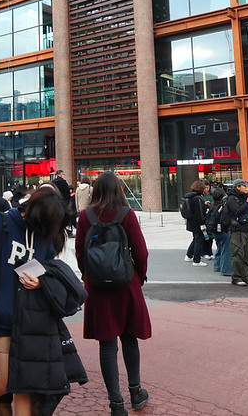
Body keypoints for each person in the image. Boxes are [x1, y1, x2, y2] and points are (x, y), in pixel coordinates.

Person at [0, 186, 68, 416]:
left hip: (30, 322)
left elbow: (48, 270)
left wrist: (41, 283)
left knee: (25, 385)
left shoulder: (43, 235)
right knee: (6, 381)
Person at [75, 172, 150, 415]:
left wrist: (88, 275)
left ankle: (116, 404)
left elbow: (80, 252)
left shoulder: (85, 216)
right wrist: (139, 276)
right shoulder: (127, 214)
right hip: (126, 283)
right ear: (118, 189)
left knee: (107, 344)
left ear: (95, 190)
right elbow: (140, 251)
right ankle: (136, 392)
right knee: (129, 338)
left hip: (98, 287)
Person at [226, 179, 248, 286]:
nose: (247, 188)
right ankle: (236, 277)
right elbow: (236, 212)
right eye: (244, 186)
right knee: (238, 254)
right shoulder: (231, 198)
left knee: (247, 254)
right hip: (237, 230)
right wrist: (247, 203)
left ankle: (245, 277)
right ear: (238, 187)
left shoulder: (244, 197)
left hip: (246, 228)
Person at [182, 180, 209, 266]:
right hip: (198, 223)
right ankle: (196, 260)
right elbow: (199, 212)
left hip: (191, 221)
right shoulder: (197, 198)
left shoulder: (189, 197)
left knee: (196, 239)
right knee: (199, 240)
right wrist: (203, 222)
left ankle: (189, 255)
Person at [206, 187, 231, 277]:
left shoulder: (212, 205)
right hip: (223, 229)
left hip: (213, 229)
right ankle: (226, 270)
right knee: (226, 250)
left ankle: (217, 266)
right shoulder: (224, 205)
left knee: (219, 247)